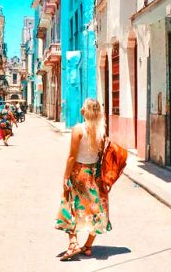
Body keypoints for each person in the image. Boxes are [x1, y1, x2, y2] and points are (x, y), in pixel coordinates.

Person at [55, 98, 111, 261]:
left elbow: (72, 156)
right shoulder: (101, 132)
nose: (80, 109)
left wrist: (66, 177)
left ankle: (73, 243)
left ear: (84, 111)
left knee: (70, 204)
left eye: (82, 108)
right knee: (96, 209)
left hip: (79, 172)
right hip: (94, 173)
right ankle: (87, 246)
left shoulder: (78, 129)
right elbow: (101, 156)